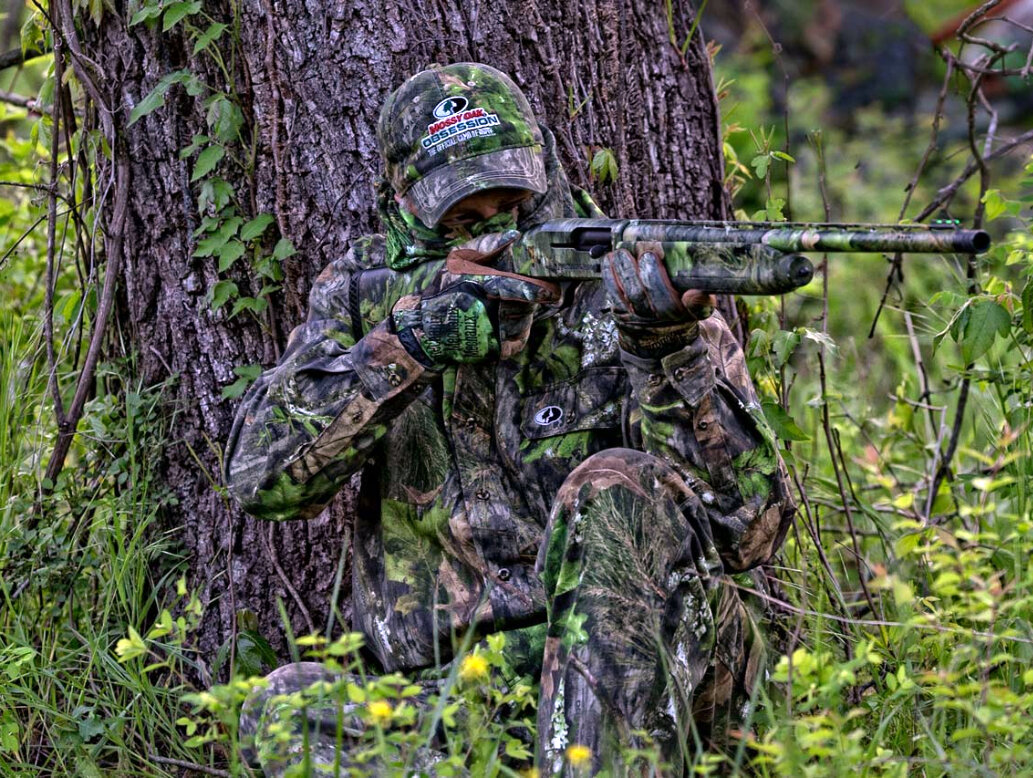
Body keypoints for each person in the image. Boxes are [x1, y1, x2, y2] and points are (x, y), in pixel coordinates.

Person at [225, 62, 795, 776]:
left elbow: (752, 530)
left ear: (545, 174)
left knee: (615, 483)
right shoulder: (362, 298)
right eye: (464, 220)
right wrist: (410, 349)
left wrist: (666, 353)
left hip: (655, 670)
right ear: (403, 209)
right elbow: (258, 478)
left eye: (511, 206)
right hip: (468, 700)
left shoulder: (624, 280)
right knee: (285, 716)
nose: (494, 233)